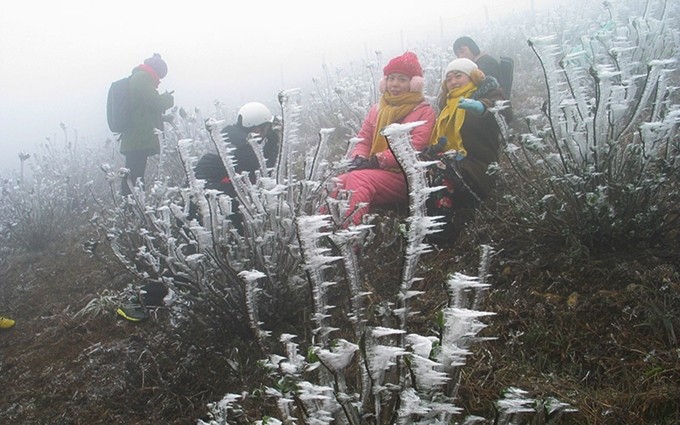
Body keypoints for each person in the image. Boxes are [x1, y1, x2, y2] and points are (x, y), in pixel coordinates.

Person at [329, 51, 436, 226]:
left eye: (402, 79)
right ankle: (324, 236)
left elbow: (415, 147)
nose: (394, 84)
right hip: (379, 173)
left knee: (358, 180)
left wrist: (378, 160)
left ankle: (351, 241)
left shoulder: (424, 112)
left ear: (414, 83)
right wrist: (360, 158)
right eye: (391, 78)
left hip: (405, 176)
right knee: (339, 182)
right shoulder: (377, 109)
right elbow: (364, 139)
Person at [424, 58, 512, 244]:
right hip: (454, 163)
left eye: (458, 76)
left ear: (472, 76)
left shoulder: (488, 94)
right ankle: (427, 222)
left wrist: (482, 108)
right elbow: (444, 142)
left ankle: (443, 229)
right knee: (423, 167)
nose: (453, 81)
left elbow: (504, 111)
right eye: (449, 78)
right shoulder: (447, 106)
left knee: (440, 167)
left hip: (478, 166)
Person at [191, 102, 280, 231]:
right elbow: (266, 172)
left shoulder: (231, 141)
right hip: (217, 223)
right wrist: (275, 140)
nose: (268, 133)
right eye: (266, 129)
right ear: (257, 130)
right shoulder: (244, 150)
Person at [120, 53, 175, 196]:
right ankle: (132, 209)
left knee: (134, 174)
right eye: (160, 77)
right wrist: (168, 99)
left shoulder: (139, 77)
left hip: (136, 137)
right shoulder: (142, 78)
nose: (159, 81)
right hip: (138, 138)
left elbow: (143, 110)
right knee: (135, 177)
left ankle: (133, 207)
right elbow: (155, 102)